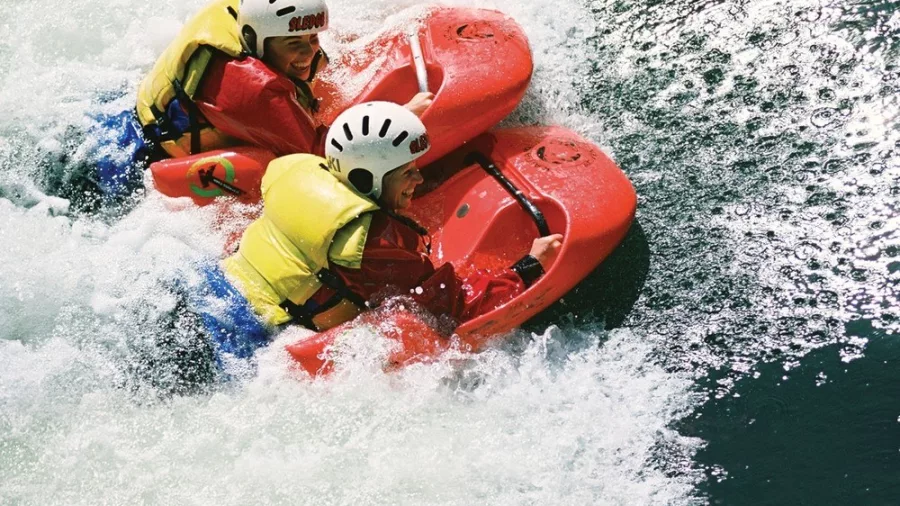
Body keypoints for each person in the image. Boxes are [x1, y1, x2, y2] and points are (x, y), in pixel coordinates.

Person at [205, 101, 562, 357]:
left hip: (210, 285)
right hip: (242, 337)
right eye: (407, 172)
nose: (418, 179)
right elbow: (450, 305)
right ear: (367, 178)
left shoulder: (302, 169)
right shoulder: (372, 242)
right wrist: (527, 268)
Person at [135, 0, 432, 159]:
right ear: (257, 41)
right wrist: (402, 116)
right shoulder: (254, 89)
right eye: (293, 43)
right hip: (143, 153)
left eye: (313, 37)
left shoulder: (249, 15)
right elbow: (322, 153)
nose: (309, 51)